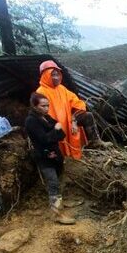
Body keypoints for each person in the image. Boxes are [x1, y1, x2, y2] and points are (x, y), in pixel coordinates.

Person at [35, 60, 108, 159]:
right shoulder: (41, 92)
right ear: (45, 75)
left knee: (88, 116)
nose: (56, 77)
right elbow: (44, 116)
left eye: (57, 74)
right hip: (54, 125)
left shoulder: (62, 88)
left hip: (69, 119)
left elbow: (77, 103)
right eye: (52, 75)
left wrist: (73, 120)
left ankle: (95, 142)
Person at [24, 92, 75, 225]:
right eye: (43, 106)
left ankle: (60, 204)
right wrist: (55, 130)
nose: (47, 108)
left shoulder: (46, 117)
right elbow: (44, 139)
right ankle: (57, 214)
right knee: (53, 183)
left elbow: (62, 135)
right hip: (43, 157)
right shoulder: (31, 121)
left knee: (58, 179)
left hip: (56, 155)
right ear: (34, 106)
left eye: (48, 105)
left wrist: (55, 132)